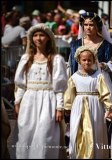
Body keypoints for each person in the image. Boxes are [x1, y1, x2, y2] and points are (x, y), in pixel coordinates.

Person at [14, 23, 68, 159]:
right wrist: (18, 101)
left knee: (45, 136)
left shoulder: (56, 60)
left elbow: (59, 87)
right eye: (36, 35)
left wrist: (59, 107)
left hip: (48, 102)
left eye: (42, 35)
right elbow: (21, 84)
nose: (38, 38)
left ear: (48, 38)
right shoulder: (26, 59)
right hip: (29, 102)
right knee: (26, 134)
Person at [64, 46, 112, 159]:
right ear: (79, 60)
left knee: (96, 130)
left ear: (93, 60)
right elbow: (69, 94)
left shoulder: (98, 76)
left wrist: (108, 107)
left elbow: (105, 93)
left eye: (89, 60)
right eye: (84, 60)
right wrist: (67, 108)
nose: (87, 62)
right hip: (79, 107)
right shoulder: (74, 77)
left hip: (95, 106)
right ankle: (79, 154)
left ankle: (97, 155)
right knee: (78, 129)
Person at [69, 11, 112, 76]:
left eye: (91, 25)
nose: (88, 28)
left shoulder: (106, 45)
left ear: (97, 27)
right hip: (80, 80)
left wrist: (104, 66)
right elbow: (72, 65)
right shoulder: (76, 44)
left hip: (99, 80)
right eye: (86, 25)